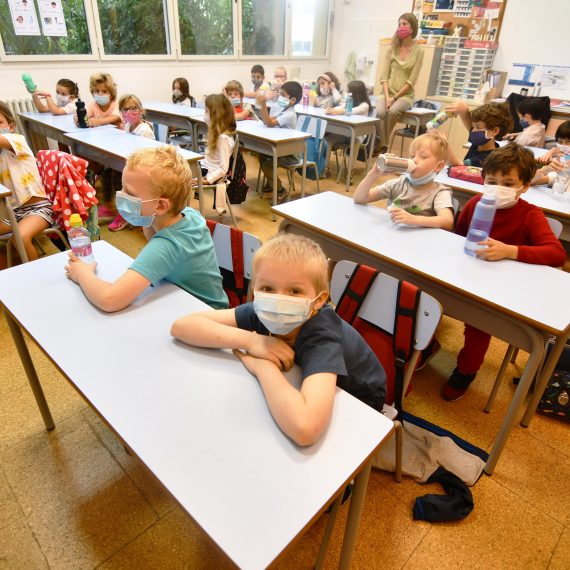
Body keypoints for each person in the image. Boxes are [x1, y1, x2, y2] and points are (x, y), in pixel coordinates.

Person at [170, 234, 387, 446]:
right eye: (267, 288)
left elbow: (305, 429)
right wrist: (252, 341)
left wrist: (263, 367)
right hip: (305, 382)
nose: (279, 300)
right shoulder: (261, 310)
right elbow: (182, 327)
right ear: (255, 290)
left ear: (318, 300)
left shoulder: (322, 336)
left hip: (360, 400)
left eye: (295, 291)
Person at [442, 143, 566, 401]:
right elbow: (456, 239)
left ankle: (466, 370)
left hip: (500, 290)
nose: (498, 188)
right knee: (424, 295)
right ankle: (423, 343)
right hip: (466, 276)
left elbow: (556, 253)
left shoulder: (530, 215)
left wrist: (510, 251)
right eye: (492, 181)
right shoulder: (475, 203)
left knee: (478, 321)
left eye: (508, 184)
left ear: (525, 186)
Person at [64, 145, 228, 312]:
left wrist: (82, 274)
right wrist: (143, 215)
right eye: (122, 187)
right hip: (204, 304)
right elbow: (153, 239)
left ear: (161, 206)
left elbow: (109, 300)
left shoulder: (167, 246)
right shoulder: (190, 215)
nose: (121, 195)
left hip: (204, 314)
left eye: (130, 194)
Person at [354, 130, 454, 230]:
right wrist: (374, 172)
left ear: (438, 166)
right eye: (412, 156)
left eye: (423, 156)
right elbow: (360, 198)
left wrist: (414, 220)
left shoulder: (439, 192)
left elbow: (448, 222)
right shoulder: (398, 184)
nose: (414, 160)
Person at [0, 102, 54, 262]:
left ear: (11, 126)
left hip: (37, 209)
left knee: (20, 238)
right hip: (12, 213)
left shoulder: (16, 141)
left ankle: (36, 275)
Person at [376, 13, 424, 154]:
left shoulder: (419, 51)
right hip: (386, 92)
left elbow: (411, 81)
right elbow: (384, 76)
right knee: (380, 112)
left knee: (392, 111)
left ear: (412, 28)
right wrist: (387, 97)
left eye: (404, 24)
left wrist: (395, 98)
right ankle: (384, 145)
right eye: (399, 24)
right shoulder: (391, 48)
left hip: (405, 96)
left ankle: (380, 145)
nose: (401, 27)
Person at [256, 80, 302, 203]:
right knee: (262, 155)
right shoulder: (282, 110)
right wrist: (262, 105)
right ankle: (272, 183)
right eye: (280, 94)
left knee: (268, 165)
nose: (280, 97)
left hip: (291, 154)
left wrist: (263, 104)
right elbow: (266, 120)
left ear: (292, 100)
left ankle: (280, 190)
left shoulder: (290, 115)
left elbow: (269, 123)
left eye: (283, 95)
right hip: (281, 149)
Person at [199, 93, 236, 214]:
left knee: (177, 177)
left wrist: (208, 180)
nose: (204, 115)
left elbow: (223, 169)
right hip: (205, 168)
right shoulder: (217, 134)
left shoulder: (223, 139)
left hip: (209, 174)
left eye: (206, 111)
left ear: (216, 115)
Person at [446, 101, 512, 167]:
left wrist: (444, 146)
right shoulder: (480, 142)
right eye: (473, 126)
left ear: (494, 131)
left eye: (478, 127)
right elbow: (468, 121)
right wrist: (464, 110)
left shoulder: (487, 158)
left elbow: (458, 167)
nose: (472, 131)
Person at [533, 120, 570, 186]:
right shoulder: (564, 157)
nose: (563, 146)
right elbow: (558, 149)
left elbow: (530, 181)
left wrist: (544, 170)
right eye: (560, 142)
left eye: (568, 142)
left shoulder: (564, 169)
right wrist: (550, 152)